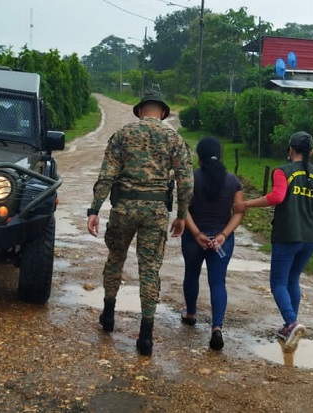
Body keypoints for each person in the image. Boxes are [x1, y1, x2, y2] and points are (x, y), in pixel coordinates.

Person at [87, 90, 193, 356]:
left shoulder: (123, 134)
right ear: (164, 112)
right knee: (149, 269)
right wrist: (181, 215)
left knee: (115, 258)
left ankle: (108, 315)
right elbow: (186, 181)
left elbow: (106, 175)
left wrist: (94, 209)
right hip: (156, 211)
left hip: (123, 208)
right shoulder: (175, 139)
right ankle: (145, 336)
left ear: (140, 110)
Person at [233, 131, 313, 352]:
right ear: (311, 152)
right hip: (309, 238)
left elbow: (277, 197)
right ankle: (290, 327)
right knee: (293, 280)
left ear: (290, 150)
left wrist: (245, 204)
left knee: (278, 282)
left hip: (287, 235)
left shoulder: (282, 171)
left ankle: (292, 323)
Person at [180, 137, 244, 351]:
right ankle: (216, 327)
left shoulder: (192, 178)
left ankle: (190, 314)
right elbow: (238, 213)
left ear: (199, 156)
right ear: (220, 154)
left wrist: (197, 233)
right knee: (218, 282)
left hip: (193, 238)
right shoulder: (233, 182)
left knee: (191, 274)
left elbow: (184, 209)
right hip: (221, 241)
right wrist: (223, 235)